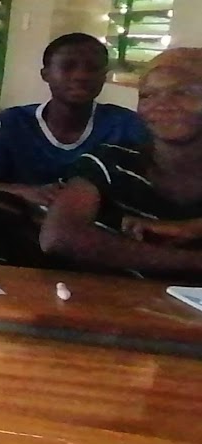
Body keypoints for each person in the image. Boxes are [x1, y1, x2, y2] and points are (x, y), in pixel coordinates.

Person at [41, 48, 202, 278]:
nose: (162, 104)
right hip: (114, 298)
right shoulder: (112, 162)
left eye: (182, 92)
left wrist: (189, 229)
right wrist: (193, 261)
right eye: (147, 95)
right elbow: (60, 236)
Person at [0, 33, 148, 208]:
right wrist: (26, 192)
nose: (81, 76)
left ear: (104, 76)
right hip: (20, 221)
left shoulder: (126, 125)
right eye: (67, 66)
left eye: (93, 68)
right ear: (45, 74)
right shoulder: (15, 121)